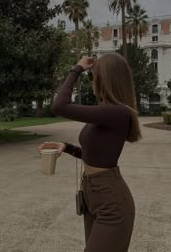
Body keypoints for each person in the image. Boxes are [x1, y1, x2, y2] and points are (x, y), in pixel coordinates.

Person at [39, 53, 142, 252]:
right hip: (92, 195)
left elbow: (59, 106)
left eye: (92, 76)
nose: (92, 80)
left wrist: (76, 69)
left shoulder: (117, 112)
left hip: (111, 202)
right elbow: (96, 155)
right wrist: (66, 147)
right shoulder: (106, 111)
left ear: (105, 78)